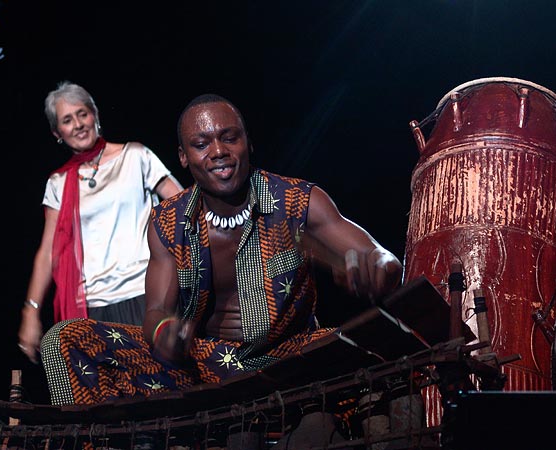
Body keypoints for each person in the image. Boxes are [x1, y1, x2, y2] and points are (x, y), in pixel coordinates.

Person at [39, 93, 403, 407]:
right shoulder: (168, 221)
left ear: (247, 141)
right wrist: (165, 333)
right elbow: (156, 310)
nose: (218, 152)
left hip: (293, 359)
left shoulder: (298, 201)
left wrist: (375, 269)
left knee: (367, 346)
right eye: (201, 145)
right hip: (204, 365)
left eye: (230, 138)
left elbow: (382, 258)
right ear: (183, 157)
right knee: (65, 340)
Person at [18, 81, 183, 365]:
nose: (78, 124)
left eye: (82, 113)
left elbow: (182, 207)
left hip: (150, 294)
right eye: (67, 120)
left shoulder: (135, 156)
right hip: (96, 307)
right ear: (57, 133)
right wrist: (31, 313)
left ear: (95, 115)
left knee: (170, 384)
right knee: (119, 403)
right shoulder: (58, 183)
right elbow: (49, 252)